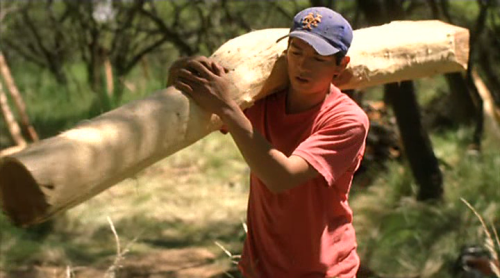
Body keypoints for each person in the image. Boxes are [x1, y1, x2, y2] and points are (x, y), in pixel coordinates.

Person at [171, 6, 369, 278]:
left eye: (317, 59)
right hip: (260, 269)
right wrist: (183, 68)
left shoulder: (347, 120)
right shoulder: (260, 101)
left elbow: (281, 177)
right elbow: (195, 98)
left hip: (323, 271)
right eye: (296, 52)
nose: (302, 65)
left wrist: (226, 107)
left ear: (339, 66)